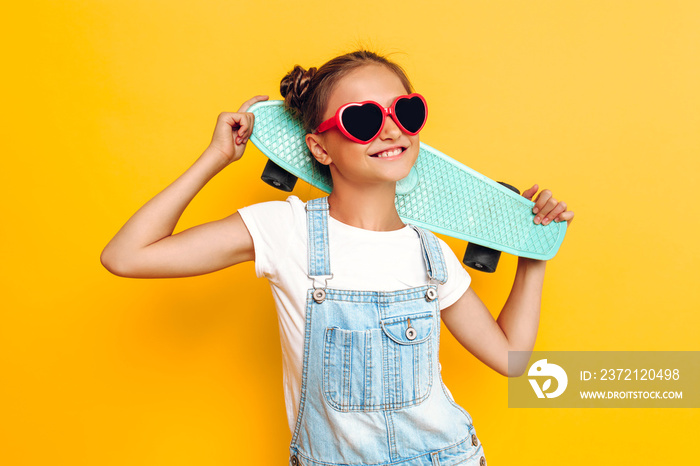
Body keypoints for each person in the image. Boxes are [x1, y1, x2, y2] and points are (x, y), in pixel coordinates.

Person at [101, 50, 574, 466]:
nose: (390, 129)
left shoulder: (431, 253)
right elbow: (127, 256)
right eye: (363, 119)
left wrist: (534, 252)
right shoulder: (284, 230)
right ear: (319, 146)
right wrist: (217, 157)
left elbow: (511, 358)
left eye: (404, 112)